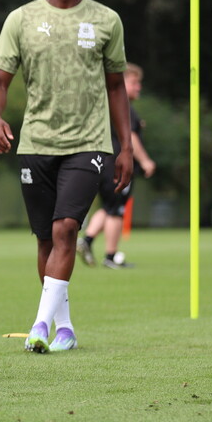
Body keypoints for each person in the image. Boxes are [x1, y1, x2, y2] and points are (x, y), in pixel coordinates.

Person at [0, 0, 133, 354]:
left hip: (90, 141)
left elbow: (117, 87)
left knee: (66, 227)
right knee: (46, 241)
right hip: (36, 141)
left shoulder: (107, 20)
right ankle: (63, 327)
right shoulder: (21, 19)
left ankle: (38, 326)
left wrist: (125, 147)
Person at [77, 63, 156, 269]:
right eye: (134, 82)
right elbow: (130, 136)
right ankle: (110, 257)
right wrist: (145, 160)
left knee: (108, 206)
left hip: (103, 162)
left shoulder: (109, 105)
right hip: (117, 165)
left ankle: (87, 240)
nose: (138, 87)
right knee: (117, 210)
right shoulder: (123, 107)